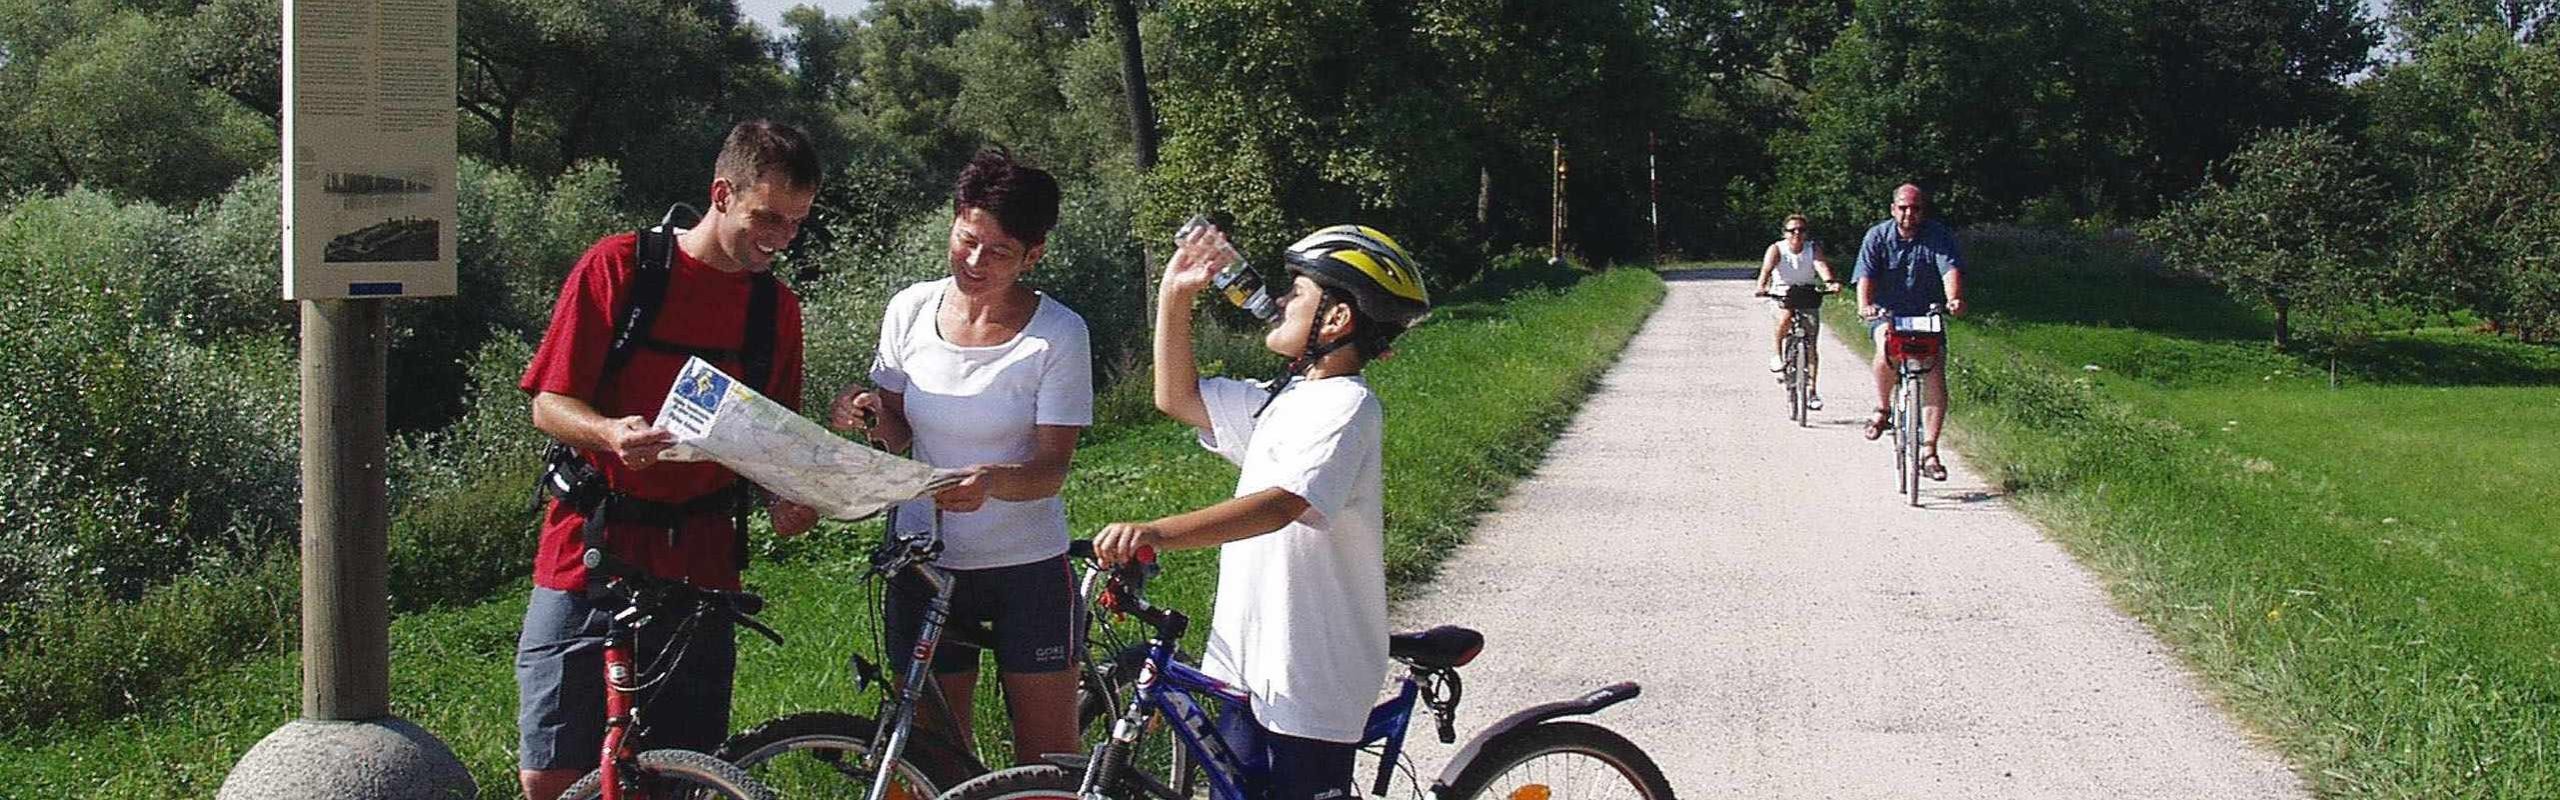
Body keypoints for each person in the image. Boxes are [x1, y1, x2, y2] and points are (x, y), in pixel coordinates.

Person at [515, 119, 823, 800]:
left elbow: (769, 441)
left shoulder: (776, 309)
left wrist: (785, 498)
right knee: (552, 773)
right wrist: (608, 433)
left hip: (700, 563)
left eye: (796, 223)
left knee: (682, 774)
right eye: (767, 218)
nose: (780, 238)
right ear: (722, 194)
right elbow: (549, 402)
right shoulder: (622, 268)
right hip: (592, 552)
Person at [1093, 222, 1431, 800]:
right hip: (1250, 662)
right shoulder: (1286, 399)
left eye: (1296, 292)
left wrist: (1156, 532)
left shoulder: (1349, 406)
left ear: (1336, 318)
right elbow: (1177, 397)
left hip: (1311, 673)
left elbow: (1280, 505)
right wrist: (1175, 296)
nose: (1278, 301)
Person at [825, 149, 1090, 765]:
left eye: (998, 252)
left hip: (1027, 567)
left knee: (1047, 759)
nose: (974, 262)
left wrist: (991, 481)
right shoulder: (910, 309)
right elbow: (896, 434)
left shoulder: (1059, 333)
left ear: (1033, 256)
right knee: (935, 758)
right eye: (967, 240)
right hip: (924, 561)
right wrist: (864, 411)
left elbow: (1052, 469)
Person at [1853, 183, 1967, 481]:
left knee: (1935, 372)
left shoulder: (1938, 235)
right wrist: (1864, 305)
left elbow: (1949, 269)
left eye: (1915, 208)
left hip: (1926, 313)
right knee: (1885, 346)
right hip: (1887, 312)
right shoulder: (1877, 236)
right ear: (1893, 209)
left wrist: (1954, 299)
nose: (1909, 214)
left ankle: (1929, 452)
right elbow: (1865, 275)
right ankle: (1883, 409)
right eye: (1903, 208)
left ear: (1922, 211)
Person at [1754, 214, 1842, 409]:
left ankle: (1812, 391)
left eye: (1801, 230)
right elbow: (1766, 270)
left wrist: (1830, 282)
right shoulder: (1777, 249)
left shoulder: (1812, 249)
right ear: (1784, 233)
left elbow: (1821, 266)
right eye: (1792, 230)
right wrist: (1761, 286)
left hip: (1806, 294)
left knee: (1811, 343)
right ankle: (1777, 355)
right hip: (1782, 294)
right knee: (1785, 316)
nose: (1796, 234)